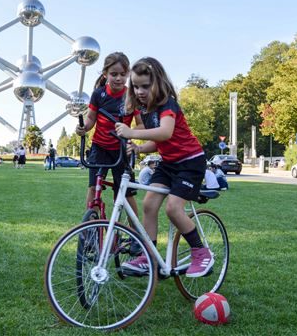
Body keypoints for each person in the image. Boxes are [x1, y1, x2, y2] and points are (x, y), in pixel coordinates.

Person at [115, 57, 213, 278]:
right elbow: (158, 142)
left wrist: (132, 133)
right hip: (169, 163)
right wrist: (139, 149)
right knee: (149, 204)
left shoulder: (167, 104)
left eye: (145, 86)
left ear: (157, 83)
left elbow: (165, 132)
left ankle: (201, 253)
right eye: (136, 86)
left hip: (190, 163)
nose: (140, 91)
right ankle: (149, 258)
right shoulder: (147, 110)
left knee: (173, 208)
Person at [75, 52, 142, 225]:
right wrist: (83, 128)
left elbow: (141, 125)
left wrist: (130, 132)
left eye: (122, 74)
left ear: (128, 74)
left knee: (125, 192)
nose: (118, 78)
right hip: (100, 148)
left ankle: (135, 232)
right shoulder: (98, 94)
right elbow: (91, 118)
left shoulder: (132, 96)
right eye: (114, 74)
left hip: (121, 149)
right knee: (93, 188)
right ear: (105, 74)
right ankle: (90, 228)